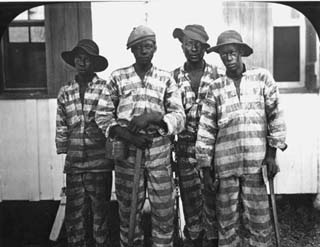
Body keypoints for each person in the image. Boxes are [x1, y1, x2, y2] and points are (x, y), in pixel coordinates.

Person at [95, 25, 186, 247]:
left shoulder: (166, 79)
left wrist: (153, 117)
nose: (144, 50)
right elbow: (102, 115)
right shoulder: (118, 77)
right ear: (131, 50)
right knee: (128, 209)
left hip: (158, 152)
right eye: (139, 47)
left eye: (148, 45)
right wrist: (127, 135)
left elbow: (179, 116)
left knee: (164, 209)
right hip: (127, 153)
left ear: (155, 48)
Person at [195, 30, 287, 247]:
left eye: (233, 52)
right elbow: (206, 130)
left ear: (241, 53)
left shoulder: (262, 78)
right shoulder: (215, 88)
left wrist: (272, 156)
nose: (229, 58)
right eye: (224, 54)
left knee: (259, 219)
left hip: (257, 164)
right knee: (227, 221)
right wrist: (206, 170)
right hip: (225, 166)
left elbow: (275, 116)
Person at [55, 39, 113, 247]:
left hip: (100, 164)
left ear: (94, 62)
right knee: (75, 216)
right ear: (74, 61)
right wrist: (63, 147)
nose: (82, 61)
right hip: (75, 164)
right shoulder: (65, 91)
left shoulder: (105, 89)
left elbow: (111, 122)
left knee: (100, 215)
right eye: (78, 57)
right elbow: (61, 123)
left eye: (86, 57)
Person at [172, 24, 220, 247]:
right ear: (181, 46)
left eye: (198, 45)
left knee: (214, 199)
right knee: (190, 201)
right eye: (189, 43)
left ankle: (212, 240)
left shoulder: (218, 76)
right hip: (184, 150)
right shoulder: (172, 78)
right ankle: (193, 239)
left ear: (204, 48)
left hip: (213, 150)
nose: (193, 48)